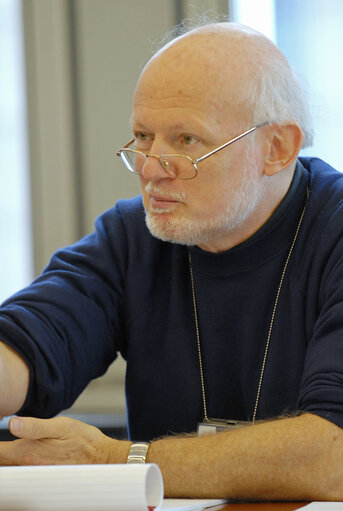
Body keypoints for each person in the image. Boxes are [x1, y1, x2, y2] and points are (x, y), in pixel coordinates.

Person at [1, 20, 343, 500]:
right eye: (142, 136)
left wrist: (114, 460)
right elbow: (34, 335)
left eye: (185, 141)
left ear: (276, 148)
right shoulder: (132, 235)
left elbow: (334, 455)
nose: (149, 168)